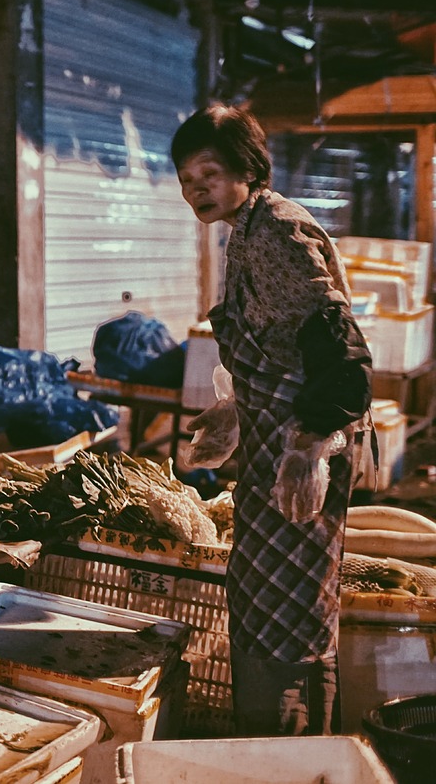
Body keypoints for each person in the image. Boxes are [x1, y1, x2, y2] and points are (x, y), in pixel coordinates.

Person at [172, 104, 372, 736]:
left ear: (245, 168)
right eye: (185, 180)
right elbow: (279, 343)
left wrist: (310, 446)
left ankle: (290, 760)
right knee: (268, 601)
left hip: (301, 454)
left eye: (208, 172)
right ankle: (284, 752)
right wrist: (235, 411)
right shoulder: (248, 231)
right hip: (273, 450)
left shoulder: (280, 232)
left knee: (288, 617)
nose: (196, 188)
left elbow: (343, 360)